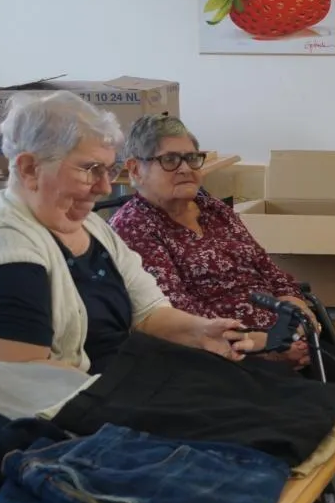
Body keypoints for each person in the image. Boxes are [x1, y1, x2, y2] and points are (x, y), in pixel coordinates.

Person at [0, 91, 258, 374]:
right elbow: (6, 384)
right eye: (90, 169)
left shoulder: (92, 228)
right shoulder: (4, 254)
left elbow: (148, 314)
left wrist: (201, 331)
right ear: (30, 169)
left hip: (107, 388)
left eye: (108, 170)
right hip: (50, 414)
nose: (105, 187)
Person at [109, 115, 314, 369]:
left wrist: (298, 316)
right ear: (135, 169)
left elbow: (269, 270)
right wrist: (264, 344)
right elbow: (178, 312)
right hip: (221, 356)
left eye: (191, 158)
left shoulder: (212, 208)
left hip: (281, 337)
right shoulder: (133, 226)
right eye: (170, 160)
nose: (185, 168)